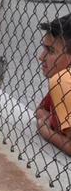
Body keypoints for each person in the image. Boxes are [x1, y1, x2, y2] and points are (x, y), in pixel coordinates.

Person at [36, 14, 71, 155]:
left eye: (50, 51)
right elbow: (40, 110)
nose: (41, 57)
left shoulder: (63, 81)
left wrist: (47, 132)